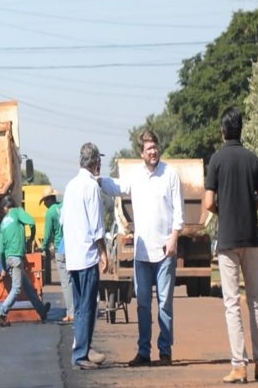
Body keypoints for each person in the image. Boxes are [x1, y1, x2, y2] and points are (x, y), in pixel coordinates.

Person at [98, 129, 184, 367]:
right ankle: (143, 351)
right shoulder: (135, 176)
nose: (153, 151)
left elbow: (179, 210)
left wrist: (174, 237)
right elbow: (116, 187)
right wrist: (95, 179)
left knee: (165, 303)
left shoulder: (170, 175)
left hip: (165, 250)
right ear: (141, 153)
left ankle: (165, 351)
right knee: (143, 303)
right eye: (148, 149)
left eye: (155, 147)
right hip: (142, 254)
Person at [203, 107, 258, 384]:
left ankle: (239, 365)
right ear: (240, 130)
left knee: (232, 302)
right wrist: (248, 208)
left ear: (223, 131)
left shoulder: (217, 160)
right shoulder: (252, 159)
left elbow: (208, 203)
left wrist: (224, 211)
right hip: (251, 240)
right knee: (255, 301)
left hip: (228, 240)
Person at [61, 143, 108, 369]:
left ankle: (83, 349)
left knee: (80, 307)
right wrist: (104, 252)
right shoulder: (91, 187)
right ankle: (80, 354)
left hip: (73, 257)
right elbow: (97, 225)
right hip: (87, 256)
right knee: (88, 307)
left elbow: (64, 223)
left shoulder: (70, 187)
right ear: (96, 163)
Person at [0, 195, 51, 326]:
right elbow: (32, 222)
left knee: (28, 287)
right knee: (17, 288)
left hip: (8, 258)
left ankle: (42, 311)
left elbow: (1, 248)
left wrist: (3, 266)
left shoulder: (3, 223)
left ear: (5, 208)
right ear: (10, 207)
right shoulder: (17, 211)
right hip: (16, 257)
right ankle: (0, 313)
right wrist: (32, 238)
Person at [39, 186, 74, 322]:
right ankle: (80, 309)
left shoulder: (50, 213)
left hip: (61, 248)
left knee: (66, 283)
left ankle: (71, 312)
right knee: (75, 281)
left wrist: (43, 247)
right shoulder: (66, 206)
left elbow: (47, 235)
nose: (45, 205)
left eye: (45, 202)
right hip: (73, 247)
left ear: (48, 200)